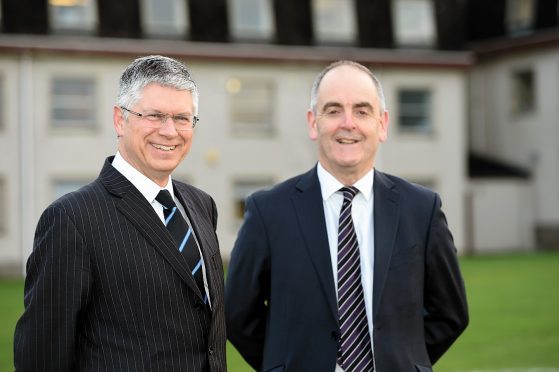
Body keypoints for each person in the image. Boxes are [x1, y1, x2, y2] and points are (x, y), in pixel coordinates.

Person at [225, 60, 469, 371]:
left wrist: (404, 361)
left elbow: (450, 312)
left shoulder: (422, 209)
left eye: (362, 110)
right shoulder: (267, 211)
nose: (348, 123)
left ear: (382, 124)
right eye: (334, 110)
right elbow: (237, 313)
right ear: (313, 123)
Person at [14, 55, 226, 371]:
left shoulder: (201, 204)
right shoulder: (71, 219)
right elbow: (41, 357)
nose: (170, 131)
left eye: (183, 118)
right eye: (154, 115)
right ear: (119, 119)